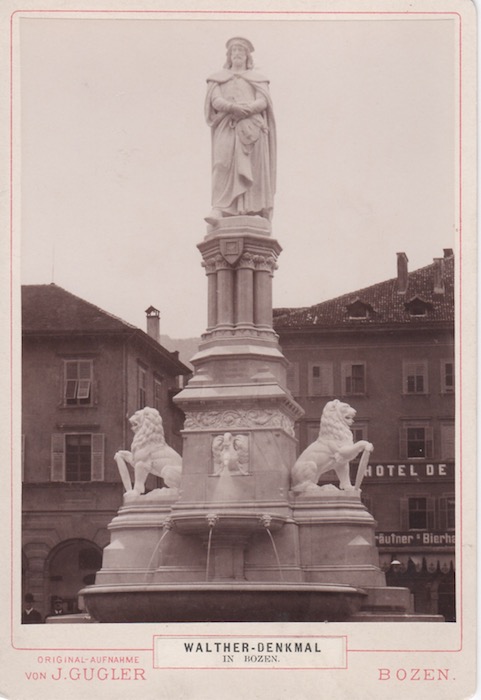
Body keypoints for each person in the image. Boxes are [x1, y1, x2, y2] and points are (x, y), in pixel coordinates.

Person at [205, 37, 276, 224]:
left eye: (241, 51)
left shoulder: (258, 79)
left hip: (251, 129)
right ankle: (219, 209)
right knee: (222, 163)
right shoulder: (218, 78)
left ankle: (253, 210)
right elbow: (215, 100)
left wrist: (247, 109)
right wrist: (232, 108)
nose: (237, 54)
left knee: (253, 168)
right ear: (229, 56)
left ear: (247, 56)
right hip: (227, 125)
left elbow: (262, 101)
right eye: (234, 51)